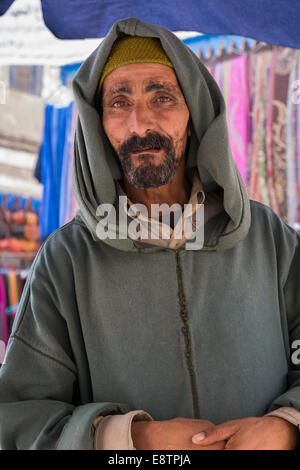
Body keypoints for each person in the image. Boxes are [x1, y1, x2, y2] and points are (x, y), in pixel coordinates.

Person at [0, 17, 299, 451]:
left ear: (194, 115)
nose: (140, 124)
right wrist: (132, 438)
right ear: (97, 122)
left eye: (162, 97)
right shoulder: (67, 261)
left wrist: (287, 425)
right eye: (119, 102)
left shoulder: (267, 240)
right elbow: (18, 419)